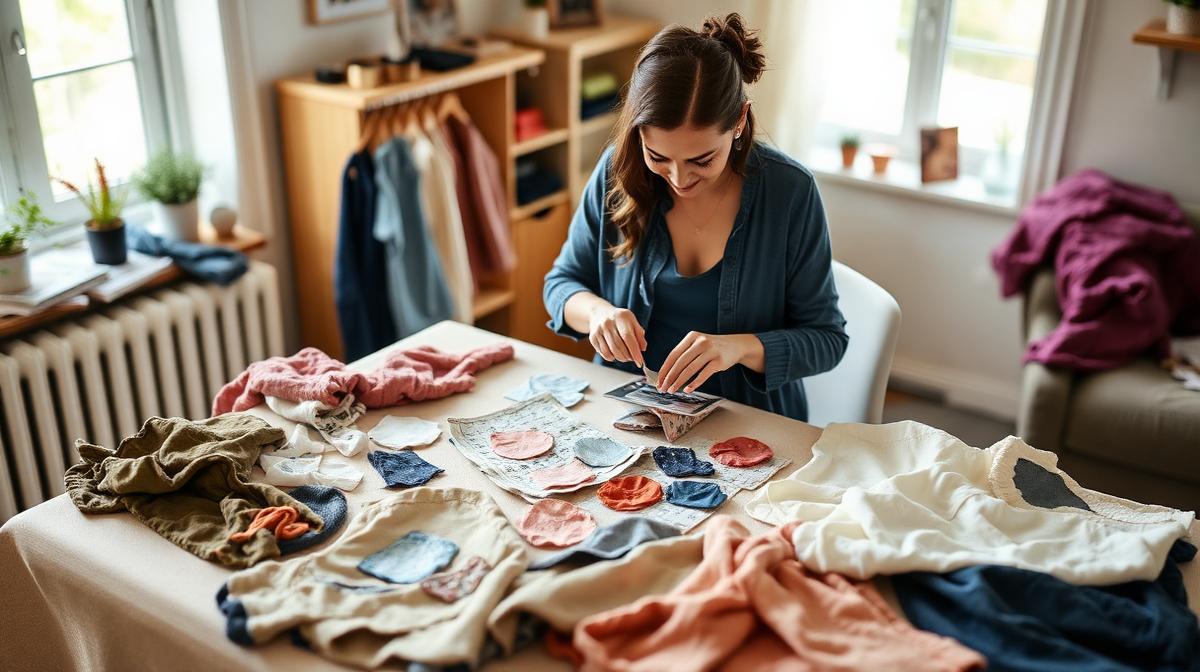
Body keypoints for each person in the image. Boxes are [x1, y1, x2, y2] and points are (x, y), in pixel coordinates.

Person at [542, 13, 848, 421]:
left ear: (739, 121)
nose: (678, 178)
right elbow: (561, 284)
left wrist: (737, 347)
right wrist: (597, 313)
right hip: (628, 417)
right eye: (658, 157)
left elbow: (827, 339)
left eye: (702, 159)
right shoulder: (617, 172)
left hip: (749, 424)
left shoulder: (790, 192)